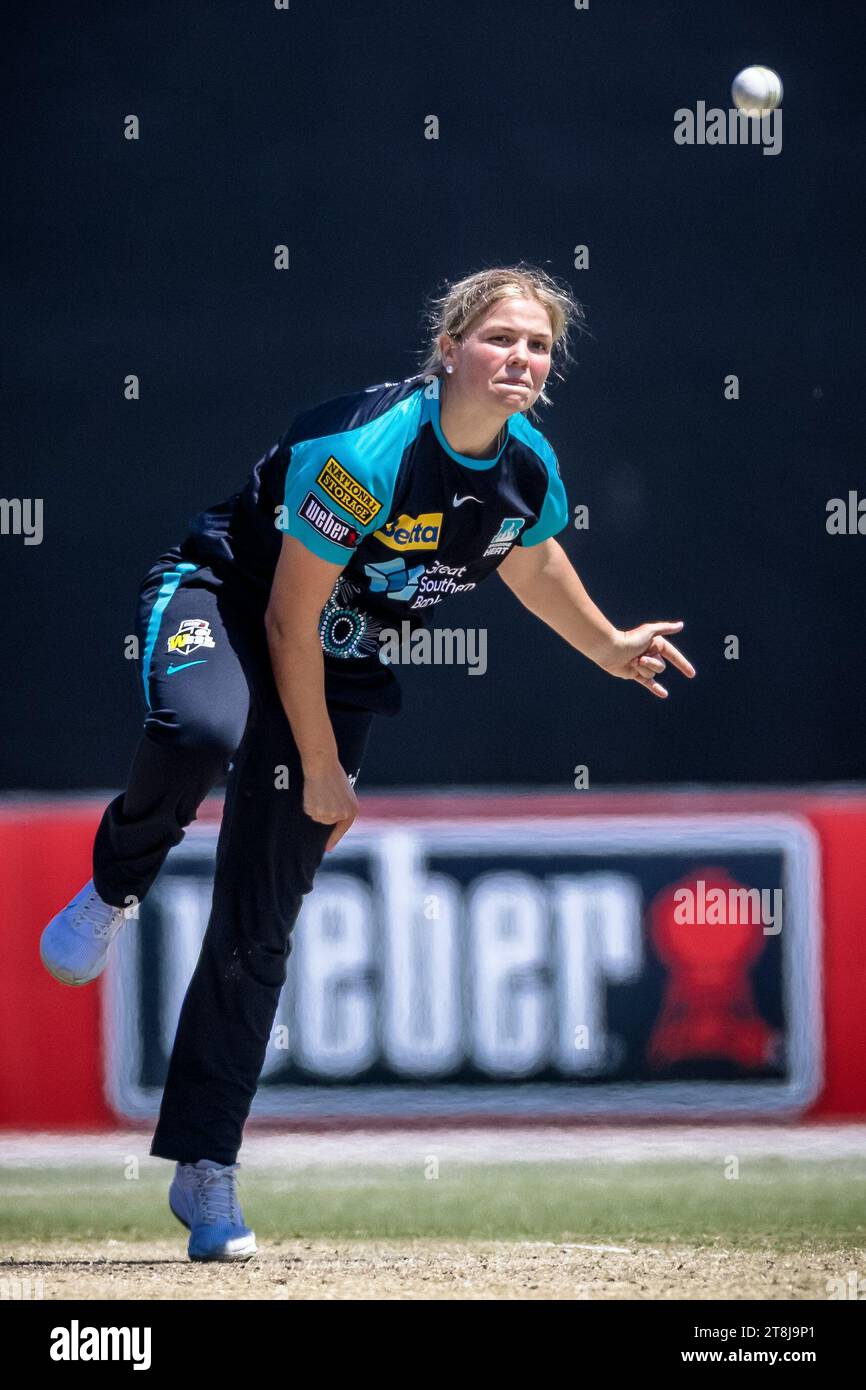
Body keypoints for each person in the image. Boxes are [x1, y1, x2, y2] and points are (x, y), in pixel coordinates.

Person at [39, 264, 695, 1261]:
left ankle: (205, 1167)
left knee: (260, 922)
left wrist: (606, 644)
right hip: (225, 599)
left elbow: (528, 556)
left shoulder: (527, 467)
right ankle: (115, 883)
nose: (519, 358)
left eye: (537, 346)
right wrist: (320, 767)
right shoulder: (368, 453)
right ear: (449, 347)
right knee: (202, 732)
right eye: (499, 338)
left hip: (337, 651)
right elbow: (283, 620)